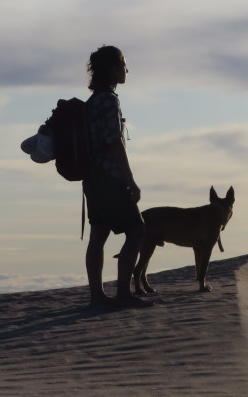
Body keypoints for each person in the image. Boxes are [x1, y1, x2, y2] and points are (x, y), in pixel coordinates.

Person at [82, 45, 152, 308]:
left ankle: (97, 296)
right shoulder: (109, 100)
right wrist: (129, 179)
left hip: (91, 179)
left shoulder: (92, 101)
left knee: (98, 236)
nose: (126, 70)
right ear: (112, 69)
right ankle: (123, 293)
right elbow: (113, 142)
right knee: (137, 230)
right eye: (123, 64)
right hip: (109, 178)